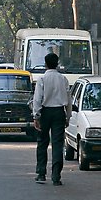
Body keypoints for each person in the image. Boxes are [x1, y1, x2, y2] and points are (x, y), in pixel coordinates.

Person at [32, 52, 71, 186]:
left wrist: (36, 116)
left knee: (42, 143)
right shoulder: (63, 79)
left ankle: (41, 174)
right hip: (59, 112)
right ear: (57, 64)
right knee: (57, 144)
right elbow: (69, 100)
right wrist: (68, 116)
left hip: (45, 112)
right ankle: (56, 176)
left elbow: (37, 99)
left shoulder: (42, 79)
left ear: (45, 64)